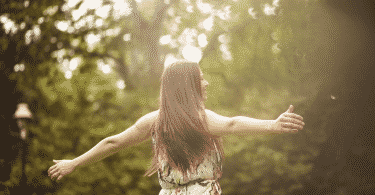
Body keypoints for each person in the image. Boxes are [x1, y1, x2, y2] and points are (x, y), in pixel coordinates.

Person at [48, 61, 305, 194]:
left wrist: (75, 163)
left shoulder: (155, 120)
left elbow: (113, 142)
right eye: (201, 79)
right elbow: (232, 123)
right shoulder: (199, 119)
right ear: (188, 86)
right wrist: (272, 125)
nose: (206, 84)